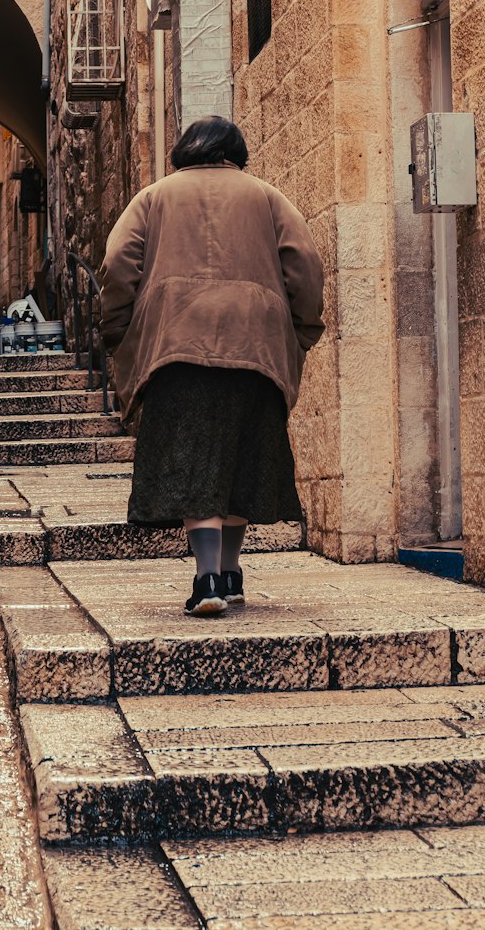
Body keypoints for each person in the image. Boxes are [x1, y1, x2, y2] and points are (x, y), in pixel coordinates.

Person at [99, 116, 325, 617]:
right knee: (243, 455)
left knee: (193, 456)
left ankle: (206, 581)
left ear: (184, 151)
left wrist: (118, 328)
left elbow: (118, 263)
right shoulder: (267, 197)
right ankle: (230, 570)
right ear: (235, 152)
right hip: (256, 344)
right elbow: (305, 264)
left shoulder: (153, 198)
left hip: (176, 342)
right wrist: (301, 329)